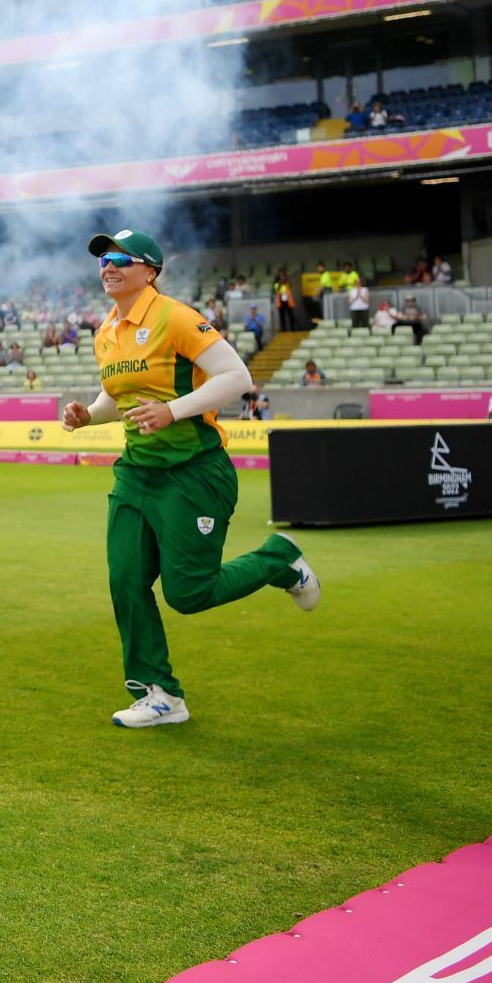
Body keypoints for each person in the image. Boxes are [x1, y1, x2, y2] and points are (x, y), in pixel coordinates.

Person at [61, 228, 317, 730]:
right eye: (102, 260)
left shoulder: (176, 317)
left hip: (195, 472)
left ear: (150, 270)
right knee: (126, 580)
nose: (107, 267)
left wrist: (173, 411)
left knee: (188, 594)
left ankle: (279, 560)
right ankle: (159, 694)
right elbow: (121, 395)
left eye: (119, 259)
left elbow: (236, 378)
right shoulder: (107, 329)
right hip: (137, 473)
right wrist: (89, 415)